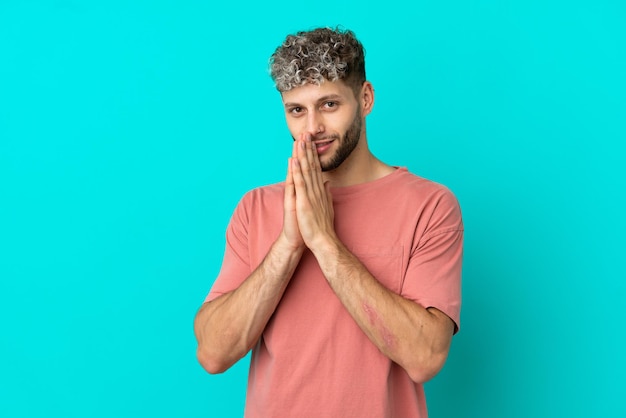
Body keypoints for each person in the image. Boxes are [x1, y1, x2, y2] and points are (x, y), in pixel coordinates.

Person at [194, 27, 463, 417]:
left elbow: (426, 357)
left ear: (365, 98)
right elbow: (213, 353)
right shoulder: (255, 208)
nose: (312, 128)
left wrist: (323, 241)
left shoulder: (430, 206)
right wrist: (288, 244)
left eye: (330, 105)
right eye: (297, 110)